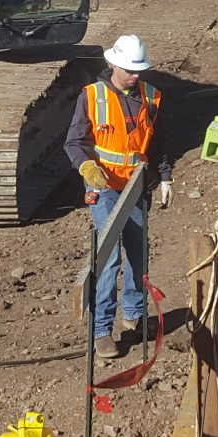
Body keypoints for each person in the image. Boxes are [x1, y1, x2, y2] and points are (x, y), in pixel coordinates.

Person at [67, 33, 168, 359]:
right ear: (113, 64)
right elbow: (75, 142)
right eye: (129, 69)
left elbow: (158, 142)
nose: (135, 75)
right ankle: (102, 332)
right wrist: (86, 167)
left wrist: (164, 177)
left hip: (136, 185)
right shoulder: (92, 97)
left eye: (139, 69)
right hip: (104, 187)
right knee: (109, 259)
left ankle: (135, 317)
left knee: (139, 252)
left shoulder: (151, 96)